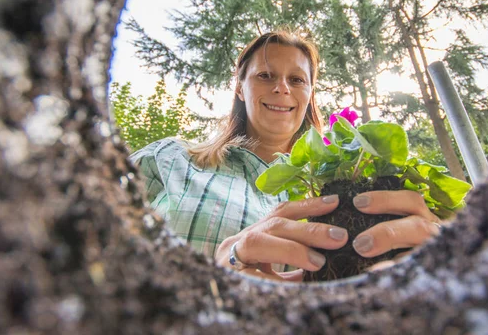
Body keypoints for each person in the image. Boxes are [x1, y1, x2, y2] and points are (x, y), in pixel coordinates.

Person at [131, 30, 442, 282]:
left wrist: (444, 254)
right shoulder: (170, 158)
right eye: (265, 75)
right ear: (240, 88)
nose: (282, 88)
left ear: (309, 95)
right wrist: (212, 285)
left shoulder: (337, 182)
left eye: (296, 80)